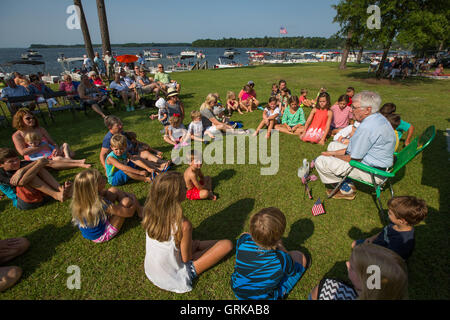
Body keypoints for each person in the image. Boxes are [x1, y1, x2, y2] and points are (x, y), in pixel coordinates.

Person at [142, 171, 233, 293]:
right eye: (184, 188)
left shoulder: (149, 213)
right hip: (174, 275)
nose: (186, 189)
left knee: (190, 244)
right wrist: (195, 245)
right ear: (176, 195)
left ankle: (196, 244)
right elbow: (187, 258)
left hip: (152, 269)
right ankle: (198, 244)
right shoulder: (183, 225)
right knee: (227, 244)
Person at [314, 91, 396, 200]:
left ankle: (346, 190)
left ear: (368, 109)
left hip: (373, 172)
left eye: (354, 107)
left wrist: (331, 157)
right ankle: (343, 178)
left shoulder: (367, 127)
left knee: (320, 161)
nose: (351, 110)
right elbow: (352, 149)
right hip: (377, 164)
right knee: (333, 146)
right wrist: (331, 153)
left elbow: (353, 159)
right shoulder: (378, 119)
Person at [231, 207, 308, 300]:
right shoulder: (281, 259)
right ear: (279, 237)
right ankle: (281, 293)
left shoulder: (243, 240)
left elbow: (245, 234)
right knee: (300, 257)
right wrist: (282, 247)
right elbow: (291, 270)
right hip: (262, 298)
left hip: (238, 290)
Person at [309, 243, 408, 300]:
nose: (347, 264)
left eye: (352, 267)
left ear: (367, 281)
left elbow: (313, 296)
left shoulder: (330, 288)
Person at [71, 169, 141, 243]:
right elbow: (129, 213)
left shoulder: (83, 199)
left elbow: (108, 192)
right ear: (94, 188)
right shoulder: (100, 203)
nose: (105, 180)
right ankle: (139, 210)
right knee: (126, 201)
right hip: (102, 234)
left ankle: (138, 209)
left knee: (113, 190)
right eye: (101, 181)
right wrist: (133, 200)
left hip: (95, 226)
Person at [352, 196, 427, 260]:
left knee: (358, 257)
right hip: (377, 244)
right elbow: (385, 231)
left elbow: (389, 257)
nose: (388, 213)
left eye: (390, 213)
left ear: (401, 221)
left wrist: (370, 249)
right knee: (354, 244)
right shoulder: (395, 223)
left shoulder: (402, 241)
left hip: (384, 256)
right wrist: (372, 238)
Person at [11, 109, 85, 171]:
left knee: (72, 153)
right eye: (28, 118)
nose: (32, 120)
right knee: (62, 157)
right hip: (37, 157)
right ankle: (74, 163)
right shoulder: (17, 135)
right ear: (20, 120)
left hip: (50, 152)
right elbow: (23, 152)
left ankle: (64, 161)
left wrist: (55, 148)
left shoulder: (40, 129)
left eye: (33, 118)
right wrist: (42, 147)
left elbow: (52, 142)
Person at [0, 148, 71, 209]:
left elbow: (43, 162)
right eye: (11, 161)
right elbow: (21, 182)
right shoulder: (1, 174)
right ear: (1, 165)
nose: (16, 162)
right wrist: (37, 164)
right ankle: (56, 195)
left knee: (38, 168)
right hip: (25, 202)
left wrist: (22, 170)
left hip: (43, 196)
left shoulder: (21, 164)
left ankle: (60, 190)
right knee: (29, 175)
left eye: (17, 159)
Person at [99, 115, 169, 174]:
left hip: (133, 152)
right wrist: (106, 169)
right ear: (110, 127)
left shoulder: (120, 132)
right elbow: (102, 155)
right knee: (139, 159)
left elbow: (131, 140)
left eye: (121, 123)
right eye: (118, 125)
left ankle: (163, 163)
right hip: (127, 157)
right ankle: (159, 167)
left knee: (146, 153)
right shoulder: (108, 138)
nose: (121, 126)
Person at [23, 131, 90, 168]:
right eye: (31, 143)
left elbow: (51, 147)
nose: (33, 144)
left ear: (39, 140)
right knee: (58, 158)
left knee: (65, 144)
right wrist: (42, 157)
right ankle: (78, 161)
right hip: (48, 158)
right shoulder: (30, 150)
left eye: (35, 142)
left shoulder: (43, 143)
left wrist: (54, 150)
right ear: (27, 143)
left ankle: (67, 157)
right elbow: (32, 158)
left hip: (53, 154)